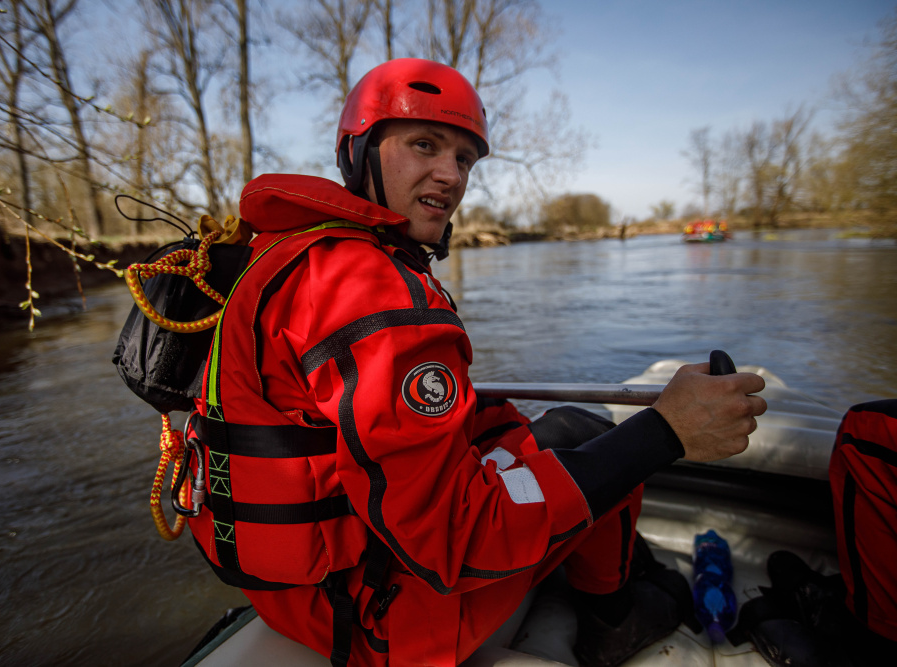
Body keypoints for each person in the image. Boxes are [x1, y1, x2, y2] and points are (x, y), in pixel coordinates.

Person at [186, 58, 767, 666]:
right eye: (424, 144)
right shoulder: (368, 291)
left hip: (304, 595)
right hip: (378, 622)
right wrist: (667, 432)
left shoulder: (293, 254)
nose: (450, 175)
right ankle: (613, 623)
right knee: (612, 459)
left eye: (464, 158)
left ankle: (612, 577)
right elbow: (454, 541)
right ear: (359, 152)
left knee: (570, 431)